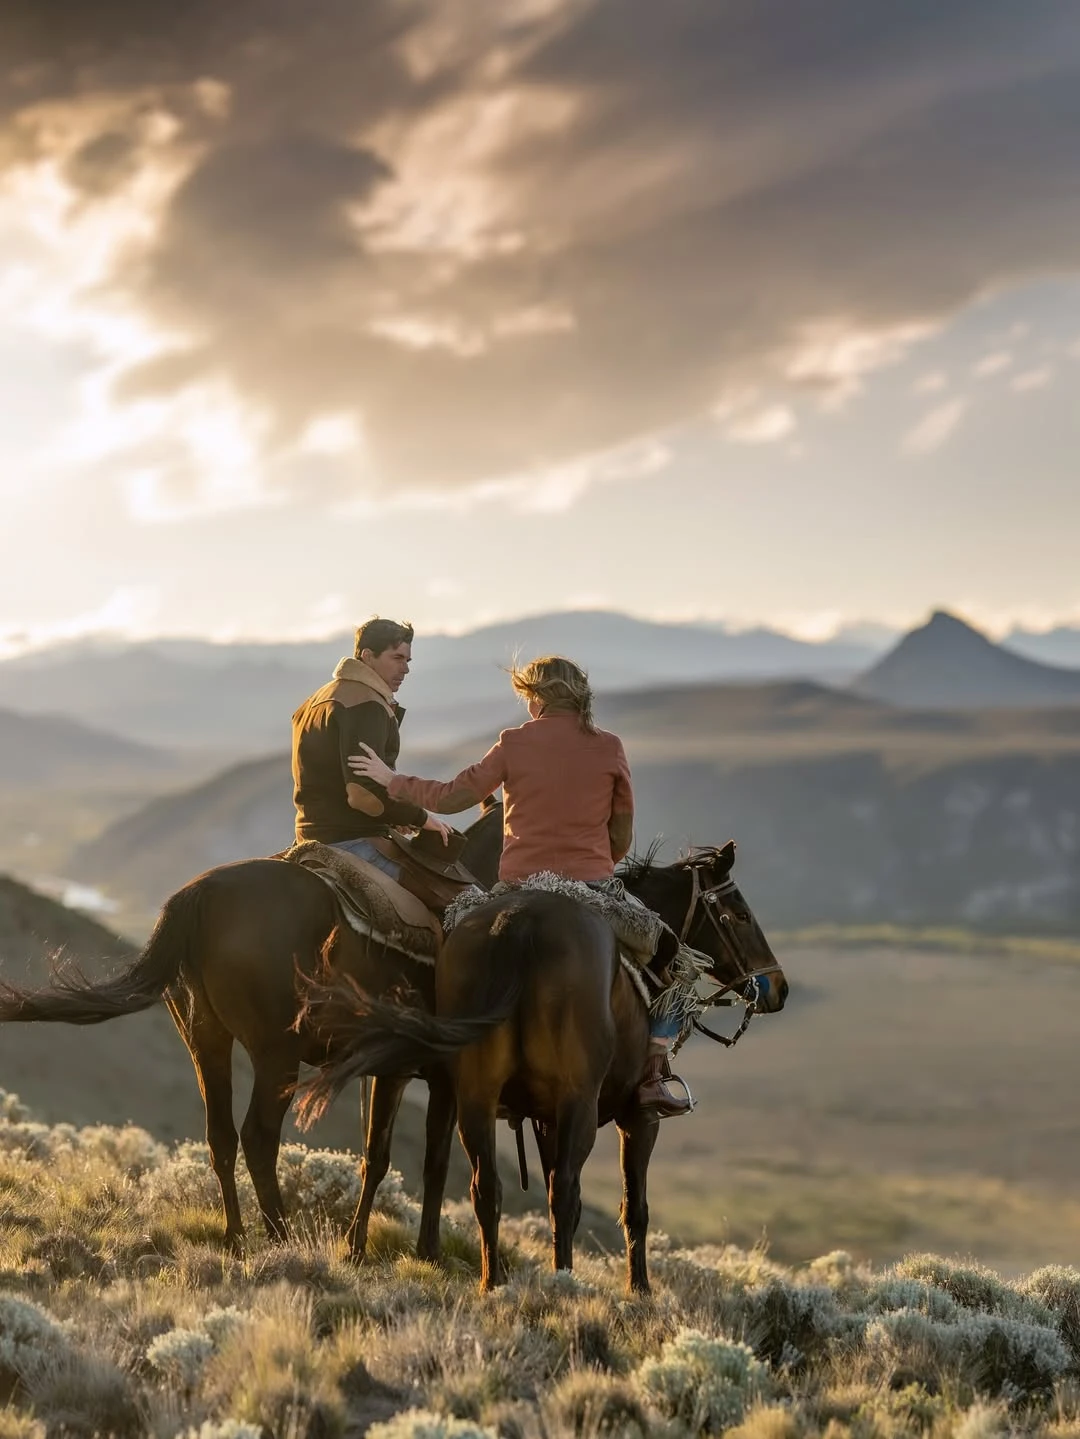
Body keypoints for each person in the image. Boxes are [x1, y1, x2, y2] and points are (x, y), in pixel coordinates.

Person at [348, 653, 692, 1116]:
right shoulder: (609, 747)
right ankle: (654, 1075)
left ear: (536, 697)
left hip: (516, 889)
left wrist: (393, 781)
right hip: (592, 887)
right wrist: (597, 868)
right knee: (678, 960)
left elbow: (453, 796)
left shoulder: (514, 742)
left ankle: (449, 1054)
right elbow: (621, 832)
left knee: (450, 942)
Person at [291, 616, 452, 882]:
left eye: (408, 661)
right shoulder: (366, 705)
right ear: (367, 656)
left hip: (309, 837)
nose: (406, 670)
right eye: (397, 658)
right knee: (456, 901)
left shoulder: (315, 701)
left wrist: (393, 814)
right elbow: (362, 794)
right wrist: (421, 817)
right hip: (351, 840)